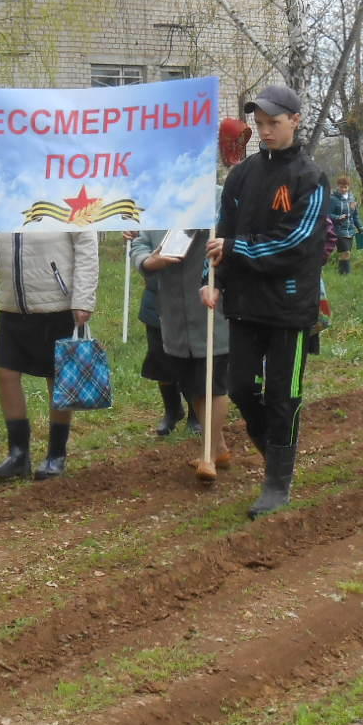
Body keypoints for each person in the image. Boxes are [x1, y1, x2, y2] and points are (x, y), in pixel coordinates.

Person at [201, 83, 330, 519]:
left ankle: (278, 481)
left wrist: (237, 250)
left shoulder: (310, 178)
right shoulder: (241, 175)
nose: (265, 131)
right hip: (243, 303)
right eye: (259, 124)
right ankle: (273, 447)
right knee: (239, 388)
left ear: (295, 120)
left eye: (273, 122)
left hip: (290, 308)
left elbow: (295, 242)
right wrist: (212, 278)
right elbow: (222, 232)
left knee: (283, 393)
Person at [0, 227, 98, 481]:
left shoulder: (62, 195)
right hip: (12, 305)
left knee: (56, 378)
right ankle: (18, 455)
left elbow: (87, 245)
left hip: (56, 303)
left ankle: (56, 454)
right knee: (5, 372)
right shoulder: (4, 202)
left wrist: (84, 299)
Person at [130, 227, 233, 473]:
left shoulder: (218, 203)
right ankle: (219, 448)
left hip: (211, 308)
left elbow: (234, 241)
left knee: (213, 382)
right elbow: (139, 245)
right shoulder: (161, 208)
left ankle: (207, 457)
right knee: (189, 383)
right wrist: (149, 261)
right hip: (172, 312)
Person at [125, 229, 195, 437]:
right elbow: (140, 245)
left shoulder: (203, 208)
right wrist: (147, 261)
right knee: (159, 357)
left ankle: (196, 413)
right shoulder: (156, 213)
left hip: (194, 298)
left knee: (193, 359)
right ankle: (172, 410)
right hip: (157, 299)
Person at [328, 175, 363, 276]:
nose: (343, 189)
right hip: (339, 230)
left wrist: (360, 227)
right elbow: (328, 214)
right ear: (338, 186)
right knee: (346, 252)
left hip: (350, 230)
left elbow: (355, 215)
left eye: (345, 187)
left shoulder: (352, 199)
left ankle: (342, 272)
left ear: (349, 187)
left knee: (346, 253)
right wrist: (338, 217)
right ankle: (346, 273)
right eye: (341, 186)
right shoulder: (333, 199)